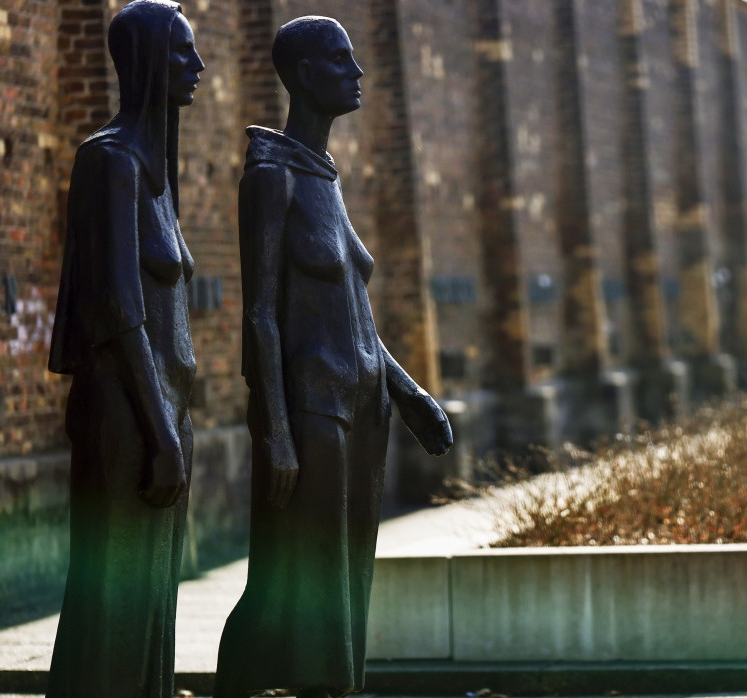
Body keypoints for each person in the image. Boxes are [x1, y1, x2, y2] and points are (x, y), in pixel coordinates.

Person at [214, 16, 452, 698]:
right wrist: (276, 432)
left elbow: (355, 314)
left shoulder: (325, 174)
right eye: (342, 60)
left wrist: (412, 399)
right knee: (299, 572)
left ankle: (339, 688)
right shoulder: (270, 176)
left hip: (365, 407)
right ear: (306, 74)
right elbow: (261, 313)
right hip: (314, 409)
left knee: (348, 572)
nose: (358, 73)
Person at [45, 1, 205, 696]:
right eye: (182, 54)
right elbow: (115, 307)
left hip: (165, 412)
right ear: (144, 63)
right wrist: (161, 429)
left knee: (151, 600)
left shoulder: (155, 171)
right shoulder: (108, 162)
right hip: (128, 415)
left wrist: (175, 423)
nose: (197, 68)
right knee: (114, 595)